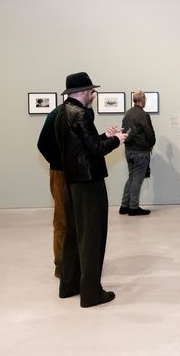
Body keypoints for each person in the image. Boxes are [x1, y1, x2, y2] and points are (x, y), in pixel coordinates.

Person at [54, 72, 127, 308]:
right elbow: (96, 150)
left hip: (72, 182)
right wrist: (117, 140)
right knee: (92, 237)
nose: (93, 95)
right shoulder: (82, 114)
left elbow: (81, 145)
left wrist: (105, 135)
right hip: (89, 183)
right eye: (92, 91)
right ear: (85, 92)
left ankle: (69, 286)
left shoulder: (61, 113)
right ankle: (91, 294)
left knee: (74, 235)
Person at [37, 104, 66, 279]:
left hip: (77, 173)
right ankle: (61, 265)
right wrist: (58, 162)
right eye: (91, 91)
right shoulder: (56, 113)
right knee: (62, 220)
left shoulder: (87, 112)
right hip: (60, 173)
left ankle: (74, 262)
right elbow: (41, 143)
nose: (94, 95)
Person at [119, 90, 156, 216]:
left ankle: (124, 206)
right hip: (140, 151)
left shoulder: (128, 113)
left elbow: (124, 131)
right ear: (142, 99)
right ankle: (133, 207)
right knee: (137, 180)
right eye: (145, 99)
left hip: (129, 150)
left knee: (131, 177)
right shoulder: (143, 115)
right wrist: (151, 143)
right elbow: (149, 133)